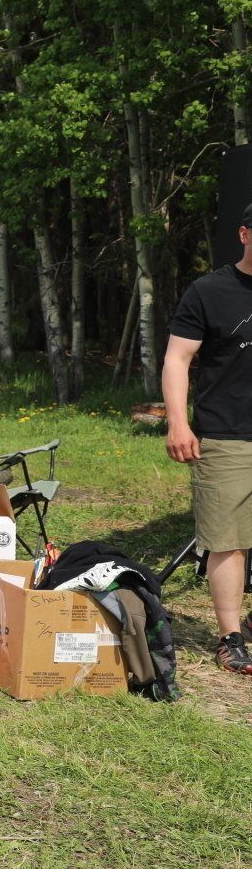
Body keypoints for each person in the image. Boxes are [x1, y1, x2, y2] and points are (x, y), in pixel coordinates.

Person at [163, 207, 252, 674]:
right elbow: (177, 359)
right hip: (226, 435)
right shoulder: (209, 291)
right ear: (243, 234)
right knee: (229, 541)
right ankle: (230, 637)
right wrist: (178, 422)